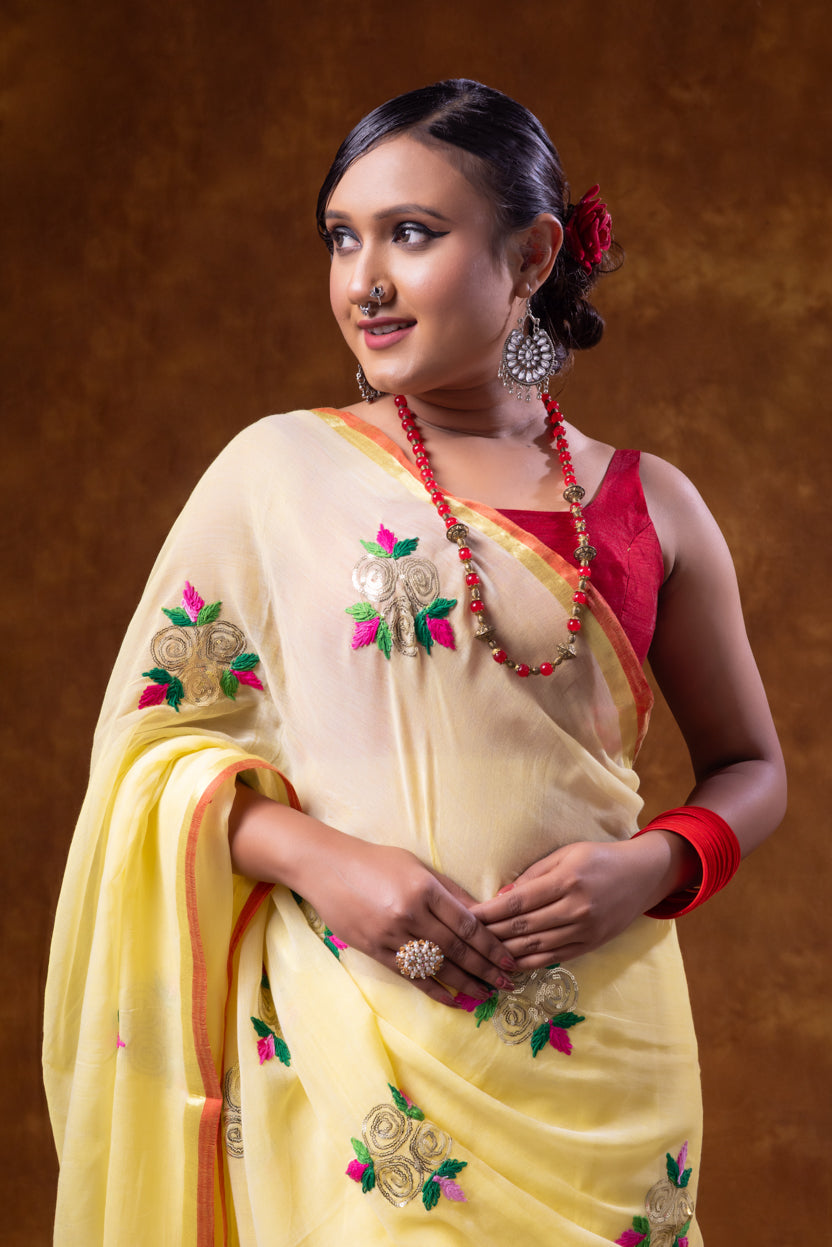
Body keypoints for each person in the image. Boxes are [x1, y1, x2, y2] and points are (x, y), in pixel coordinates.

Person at [44, 79, 785, 1246]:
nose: (364, 280)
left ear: (532, 254)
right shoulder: (274, 475)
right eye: (343, 237)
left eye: (413, 233)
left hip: (604, 1048)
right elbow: (149, 758)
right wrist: (324, 860)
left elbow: (750, 765)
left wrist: (647, 866)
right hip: (359, 1047)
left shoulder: (653, 506)